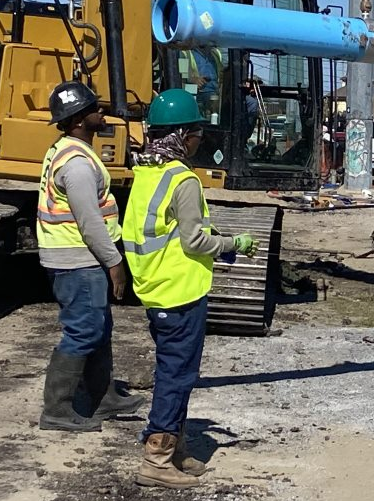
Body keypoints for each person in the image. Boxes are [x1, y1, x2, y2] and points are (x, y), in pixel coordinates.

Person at [122, 89, 258, 488]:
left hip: (156, 287)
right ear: (182, 135)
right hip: (179, 291)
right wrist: (234, 244)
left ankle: (175, 448)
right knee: (176, 376)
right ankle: (157, 460)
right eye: (196, 131)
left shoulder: (147, 172)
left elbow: (161, 230)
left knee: (175, 372)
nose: (200, 139)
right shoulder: (183, 180)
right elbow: (193, 241)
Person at [37, 81, 143, 432]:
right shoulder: (78, 165)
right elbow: (89, 222)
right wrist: (114, 263)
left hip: (75, 256)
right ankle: (57, 410)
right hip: (77, 259)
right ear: (81, 120)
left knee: (99, 328)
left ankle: (102, 397)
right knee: (83, 331)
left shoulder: (66, 150)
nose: (103, 113)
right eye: (96, 110)